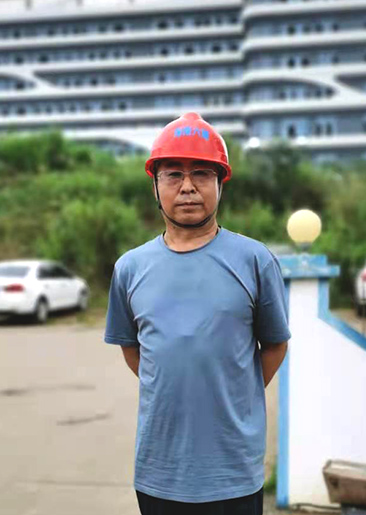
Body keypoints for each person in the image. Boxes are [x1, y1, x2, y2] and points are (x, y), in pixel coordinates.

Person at [104, 112, 291, 515]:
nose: (187, 186)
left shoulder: (255, 260)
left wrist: (232, 389)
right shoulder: (130, 268)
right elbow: (132, 349)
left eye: (202, 173)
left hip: (232, 471)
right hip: (159, 469)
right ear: (155, 186)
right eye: (173, 174)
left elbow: (275, 345)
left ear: (221, 183)